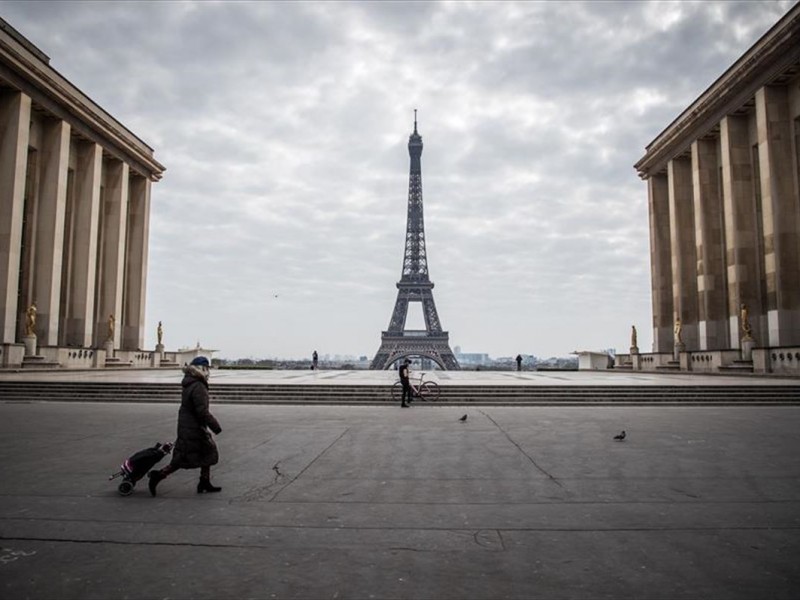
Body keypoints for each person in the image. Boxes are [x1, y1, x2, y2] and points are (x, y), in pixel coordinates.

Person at [148, 356, 223, 496]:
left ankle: (204, 482)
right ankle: (158, 475)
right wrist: (215, 426)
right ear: (203, 369)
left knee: (207, 452)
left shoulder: (191, 382)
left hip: (188, 424)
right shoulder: (198, 386)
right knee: (183, 458)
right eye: (207, 369)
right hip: (192, 427)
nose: (209, 372)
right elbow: (201, 411)